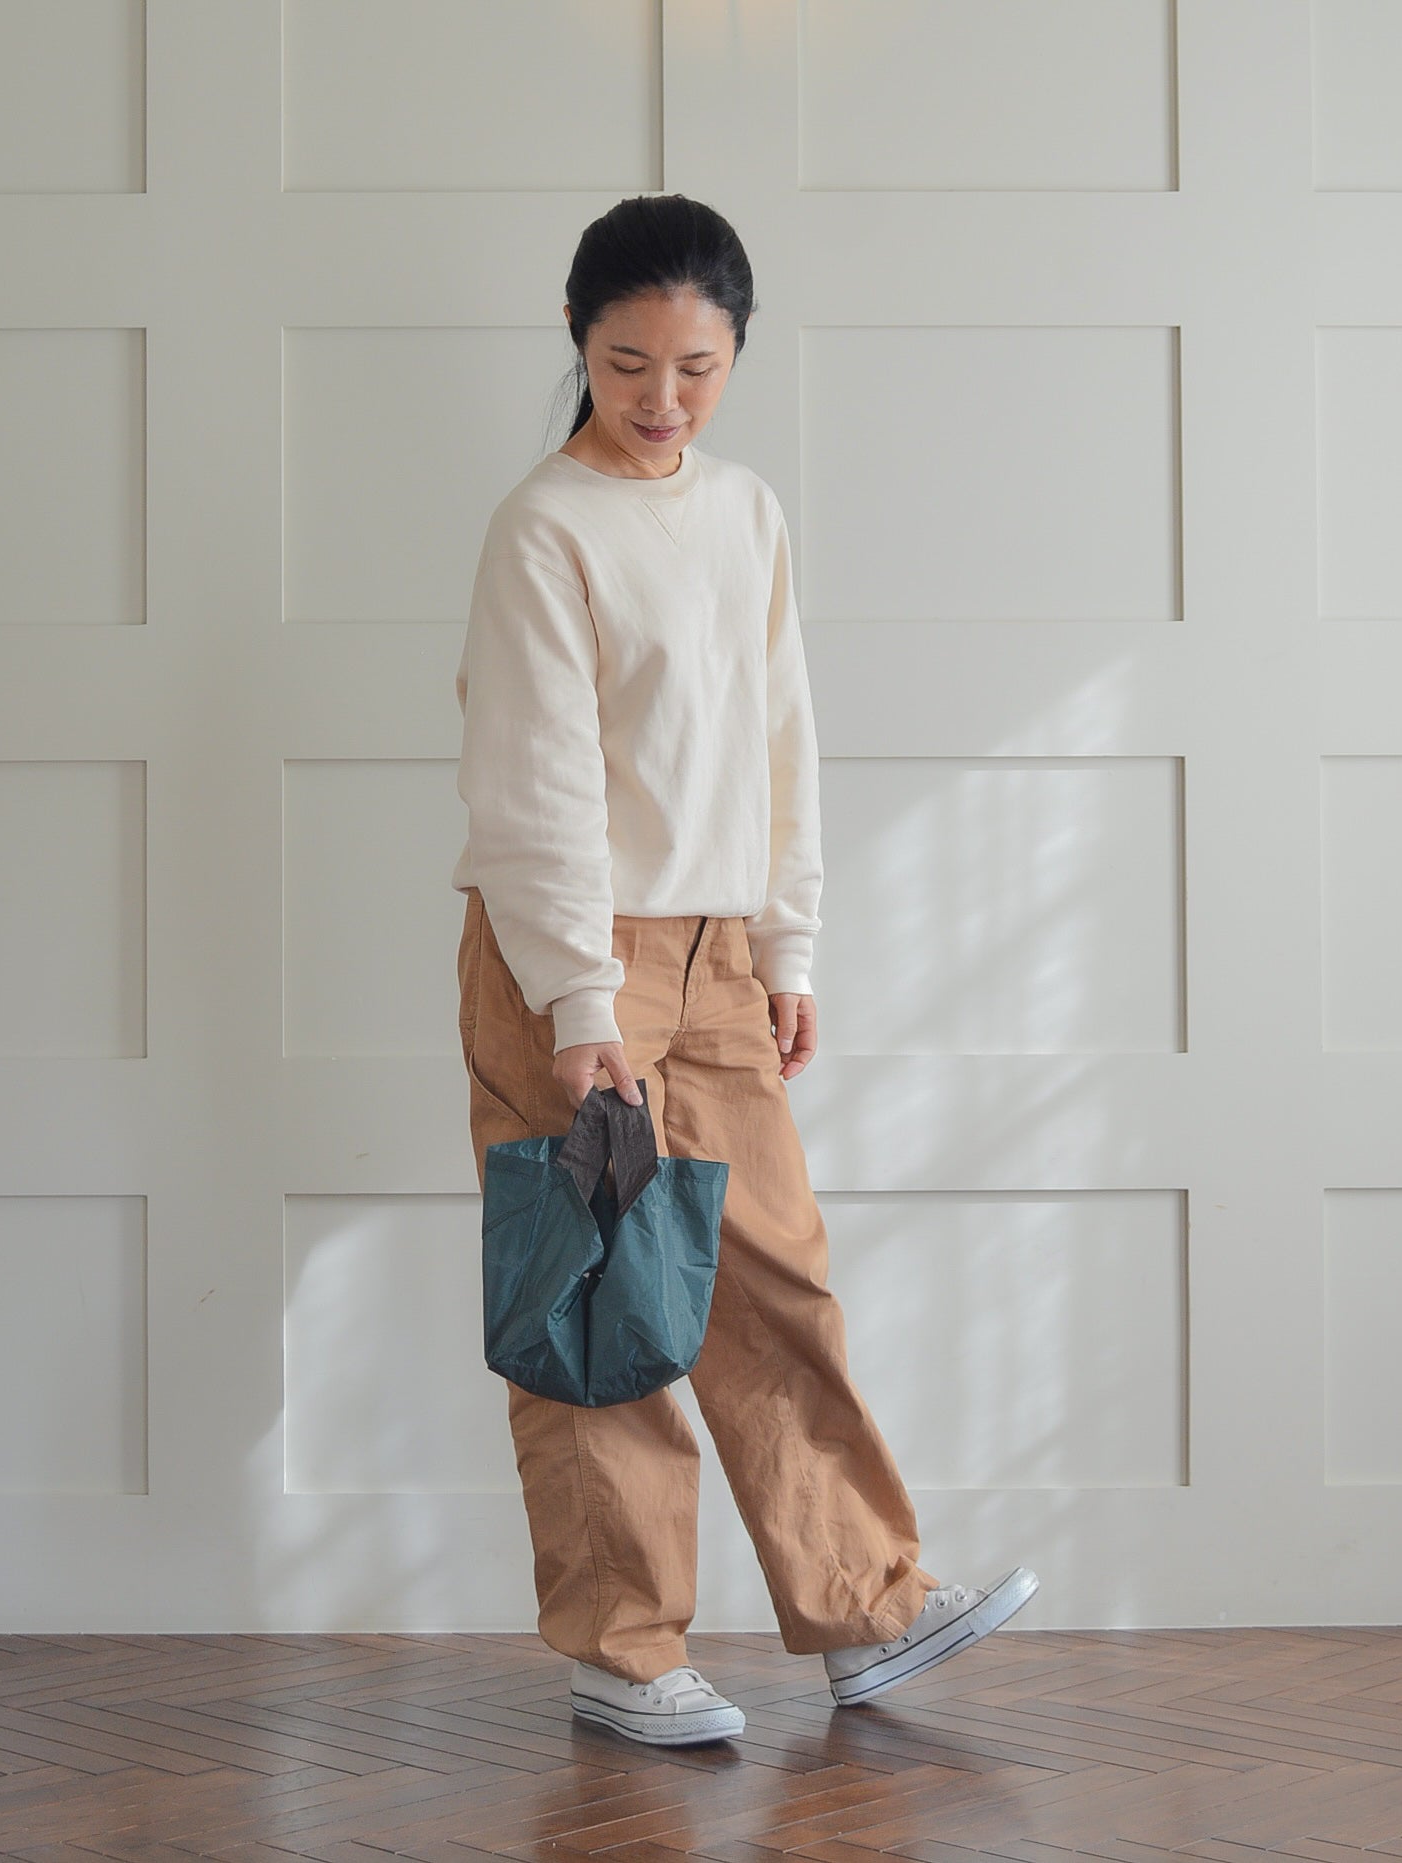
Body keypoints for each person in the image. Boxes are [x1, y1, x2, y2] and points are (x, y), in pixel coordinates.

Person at [451, 193, 1038, 1748]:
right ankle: (621, 1648)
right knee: (597, 1299)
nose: (662, 400)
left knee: (772, 1276)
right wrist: (581, 1005)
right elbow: (533, 785)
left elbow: (782, 734)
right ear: (576, 341)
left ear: (736, 354)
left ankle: (864, 1606)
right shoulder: (544, 527)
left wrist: (787, 941)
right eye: (626, 364)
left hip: (716, 949)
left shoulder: (744, 511)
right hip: (569, 950)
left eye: (697, 368)